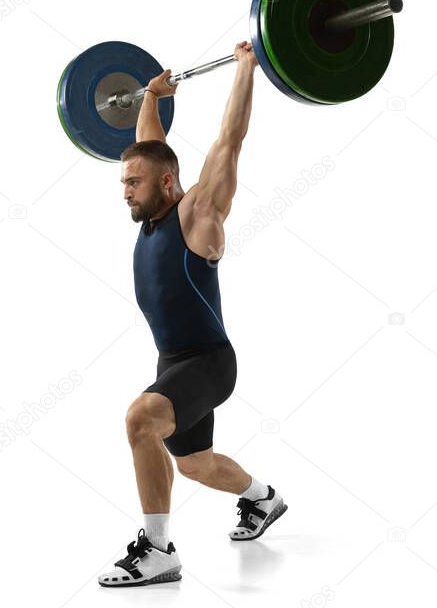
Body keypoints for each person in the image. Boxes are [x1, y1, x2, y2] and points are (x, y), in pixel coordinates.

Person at [98, 41, 288, 587]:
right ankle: (262, 499)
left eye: (131, 183)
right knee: (194, 463)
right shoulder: (154, 205)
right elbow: (150, 146)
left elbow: (230, 141)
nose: (124, 193)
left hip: (208, 364)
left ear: (164, 183)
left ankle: (158, 550)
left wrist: (247, 68)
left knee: (140, 419)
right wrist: (152, 96)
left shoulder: (198, 213)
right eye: (123, 183)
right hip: (173, 361)